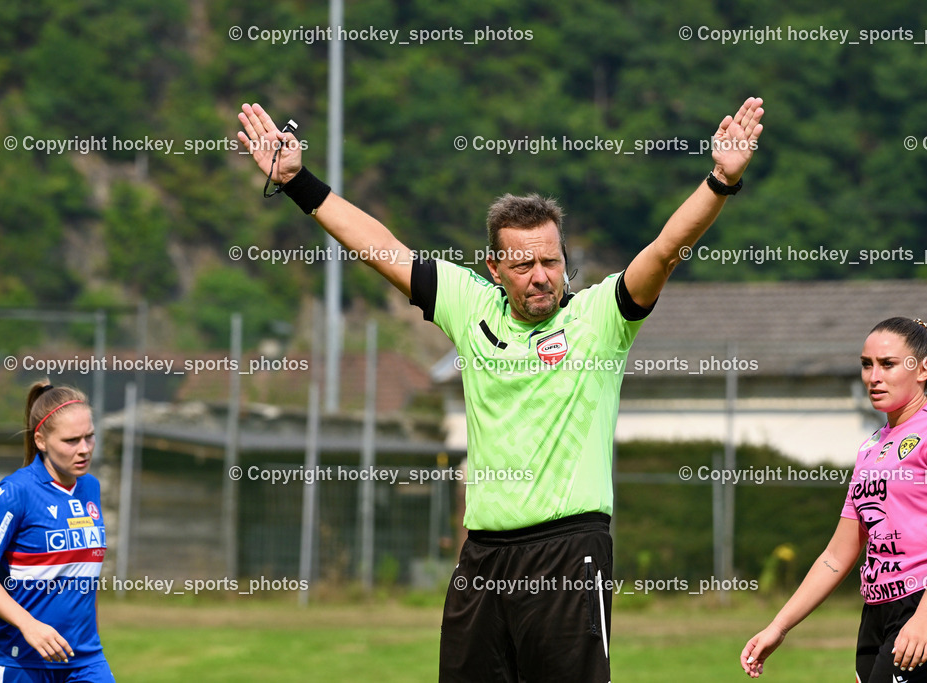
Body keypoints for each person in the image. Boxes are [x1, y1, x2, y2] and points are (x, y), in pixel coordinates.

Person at [238, 97, 764, 681]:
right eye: (522, 265)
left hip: (568, 551)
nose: (540, 275)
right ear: (494, 268)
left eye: (550, 260)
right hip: (483, 556)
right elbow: (380, 248)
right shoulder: (470, 307)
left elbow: (666, 249)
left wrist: (721, 181)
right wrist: (296, 183)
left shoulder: (600, 317)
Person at [741, 317, 927, 682]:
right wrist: (779, 626)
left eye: (887, 364)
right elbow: (836, 555)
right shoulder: (871, 447)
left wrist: (926, 615)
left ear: (923, 369)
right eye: (866, 364)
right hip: (878, 612)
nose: (874, 376)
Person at [0, 382, 114, 682]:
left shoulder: (90, 487)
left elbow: (85, 574)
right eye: (71, 440)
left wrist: (92, 639)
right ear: (40, 440)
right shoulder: (16, 491)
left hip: (85, 661)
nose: (84, 449)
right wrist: (29, 625)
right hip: (18, 663)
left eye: (90, 437)